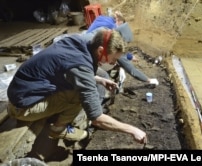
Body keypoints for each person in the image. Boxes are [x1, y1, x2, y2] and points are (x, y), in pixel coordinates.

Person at [7, 29, 147, 144]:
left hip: (22, 89)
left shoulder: (81, 41)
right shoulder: (81, 65)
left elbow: (69, 70)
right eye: (113, 59)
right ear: (100, 50)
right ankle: (58, 129)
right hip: (22, 106)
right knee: (80, 95)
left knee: (84, 86)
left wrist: (99, 79)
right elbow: (97, 118)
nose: (113, 63)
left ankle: (58, 117)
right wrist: (132, 130)